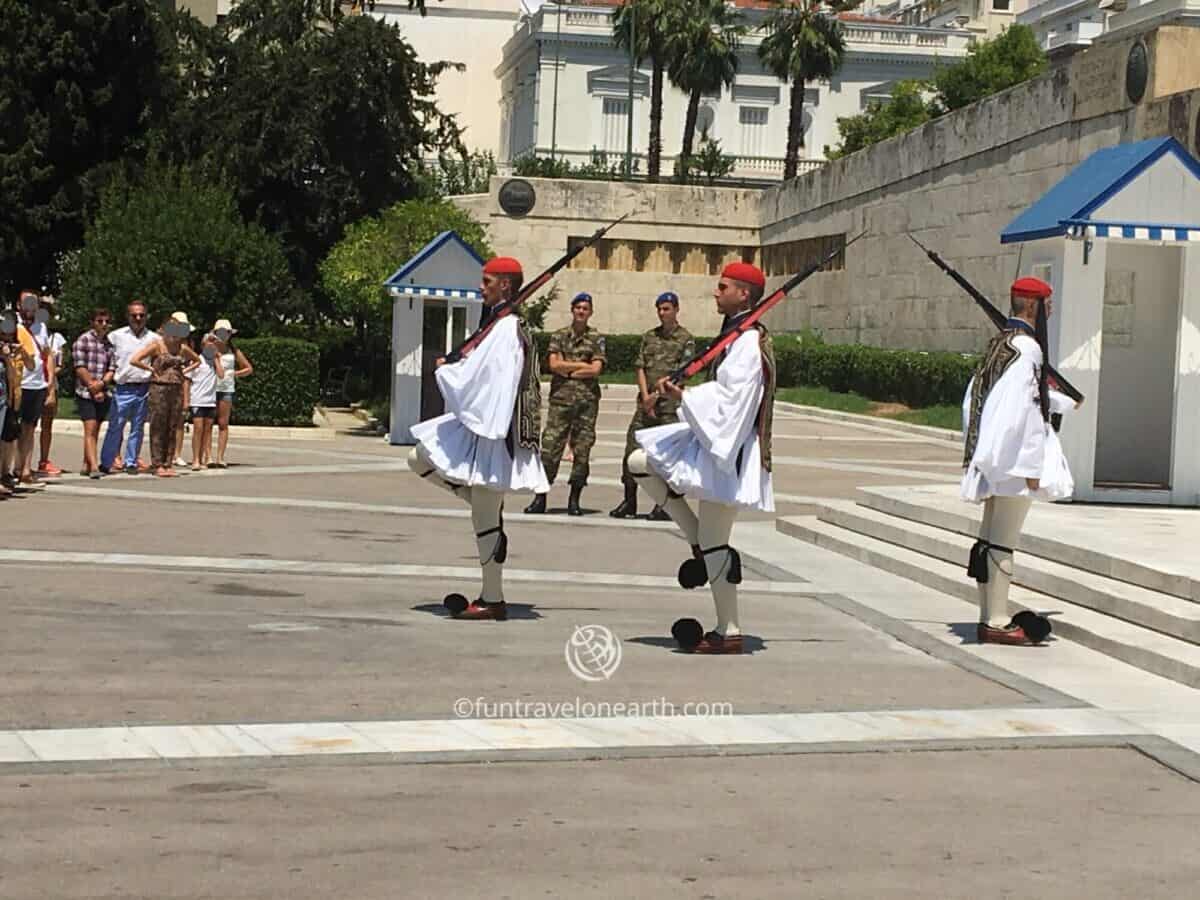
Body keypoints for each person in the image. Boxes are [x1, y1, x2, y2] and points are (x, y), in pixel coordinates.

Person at [628, 263, 776, 655]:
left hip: (729, 452)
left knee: (715, 542)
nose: (716, 292)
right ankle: (699, 545)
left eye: (722, 286)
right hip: (715, 443)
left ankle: (728, 631)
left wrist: (685, 397)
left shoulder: (747, 342)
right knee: (640, 463)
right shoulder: (735, 334)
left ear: (744, 294)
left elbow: (733, 403)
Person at [407, 256, 548, 621]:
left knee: (484, 521)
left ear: (505, 285)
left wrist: (449, 374)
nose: (480, 287)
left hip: (493, 433)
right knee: (419, 458)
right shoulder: (498, 324)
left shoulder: (507, 329)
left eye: (487, 281)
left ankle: (492, 598)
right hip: (480, 428)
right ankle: (483, 519)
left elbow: (488, 381)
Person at [961, 276, 1079, 646]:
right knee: (1003, 542)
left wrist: (980, 457)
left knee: (989, 539)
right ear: (1032, 307)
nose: (1051, 310)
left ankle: (988, 616)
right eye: (1048, 303)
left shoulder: (1002, 344)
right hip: (1013, 462)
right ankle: (996, 620)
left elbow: (982, 400)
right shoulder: (1027, 349)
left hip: (996, 459)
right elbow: (1022, 412)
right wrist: (1029, 469)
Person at [610, 291, 695, 521]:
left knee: (666, 459)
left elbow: (684, 373)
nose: (662, 313)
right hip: (645, 406)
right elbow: (640, 367)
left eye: (666, 308)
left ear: (676, 309)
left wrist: (656, 396)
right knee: (630, 451)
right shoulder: (649, 337)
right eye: (659, 308)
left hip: (667, 408)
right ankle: (629, 501)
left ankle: (663, 506)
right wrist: (646, 396)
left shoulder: (685, 339)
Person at [524, 292, 605, 517]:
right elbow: (553, 365)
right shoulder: (559, 336)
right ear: (572, 310)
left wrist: (569, 366)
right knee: (549, 449)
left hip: (586, 403)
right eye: (578, 307)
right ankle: (540, 498)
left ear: (590, 312)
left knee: (582, 451)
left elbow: (596, 369)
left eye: (585, 308)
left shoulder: (596, 338)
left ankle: (574, 500)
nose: (581, 311)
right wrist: (581, 364)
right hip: (561, 401)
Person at [129, 312, 200, 478]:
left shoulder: (182, 347)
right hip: (159, 388)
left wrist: (184, 371)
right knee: (158, 425)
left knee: (172, 425)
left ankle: (168, 462)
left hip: (176, 388)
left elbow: (197, 360)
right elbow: (135, 359)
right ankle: (157, 463)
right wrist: (151, 370)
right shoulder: (157, 345)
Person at [100, 300, 158, 475]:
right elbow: (105, 358)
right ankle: (106, 462)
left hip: (144, 387)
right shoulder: (116, 336)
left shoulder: (154, 338)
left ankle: (131, 461)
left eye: (141, 315)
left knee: (138, 428)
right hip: (123, 387)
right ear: (127, 316)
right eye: (134, 315)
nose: (138, 318)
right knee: (115, 426)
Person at [15, 291, 55, 485]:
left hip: (36, 384)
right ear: (18, 305)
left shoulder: (41, 327)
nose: (30, 307)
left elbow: (48, 356)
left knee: (30, 428)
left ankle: (25, 469)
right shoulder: (11, 325)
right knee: (11, 429)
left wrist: (50, 387)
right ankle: (8, 469)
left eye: (34, 303)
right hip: (16, 384)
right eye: (27, 303)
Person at [72, 308, 117, 478]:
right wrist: (92, 386)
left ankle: (86, 463)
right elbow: (80, 367)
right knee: (89, 428)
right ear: (92, 322)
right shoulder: (83, 340)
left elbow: (112, 368)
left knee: (96, 429)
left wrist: (102, 384)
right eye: (100, 321)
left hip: (102, 391)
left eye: (106, 321)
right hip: (85, 392)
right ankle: (94, 466)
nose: (104, 324)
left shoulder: (109, 344)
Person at [0, 310, 36, 496]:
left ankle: (5, 473)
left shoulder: (21, 338)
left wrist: (20, 351)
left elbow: (31, 365)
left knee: (9, 436)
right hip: (3, 395)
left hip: (13, 396)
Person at [211, 319, 253, 468]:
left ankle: (220, 457)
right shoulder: (210, 348)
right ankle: (207, 456)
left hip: (226, 388)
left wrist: (234, 373)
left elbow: (248, 368)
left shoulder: (234, 351)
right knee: (208, 422)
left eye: (226, 333)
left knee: (223, 423)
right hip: (210, 388)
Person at [37, 295, 67, 477]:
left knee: (47, 424)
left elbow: (60, 364)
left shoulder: (57, 338)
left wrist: (48, 376)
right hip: (30, 384)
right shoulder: (27, 332)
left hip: (49, 385)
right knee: (27, 425)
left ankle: (44, 460)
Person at [188, 331, 224, 470]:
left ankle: (202, 458)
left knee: (207, 430)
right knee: (198, 429)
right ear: (203, 345)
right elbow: (188, 378)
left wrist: (216, 359)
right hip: (197, 399)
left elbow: (221, 375)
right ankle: (195, 459)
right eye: (209, 343)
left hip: (210, 400)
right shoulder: (196, 360)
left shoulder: (214, 362)